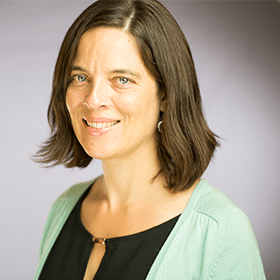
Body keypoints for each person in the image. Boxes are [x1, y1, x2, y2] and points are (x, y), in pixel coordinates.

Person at [33, 0, 266, 279]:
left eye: (122, 80)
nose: (93, 100)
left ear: (166, 95)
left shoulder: (219, 229)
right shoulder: (65, 207)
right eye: (80, 77)